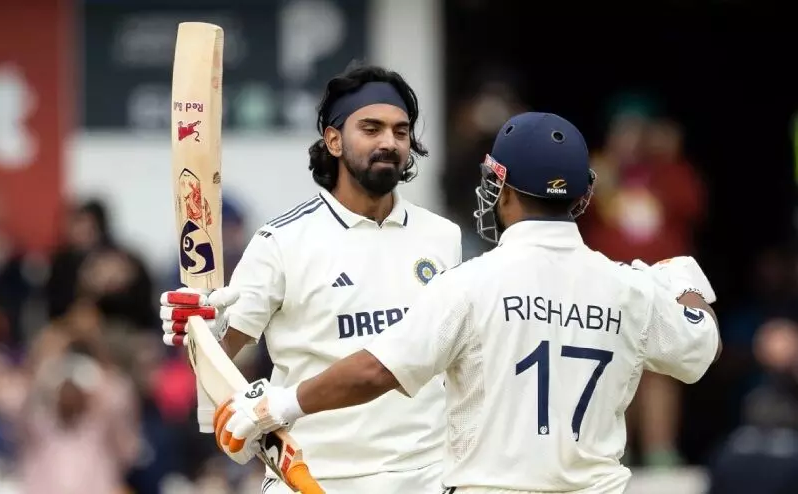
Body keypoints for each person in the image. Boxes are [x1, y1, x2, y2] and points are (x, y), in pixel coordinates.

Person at [213, 112, 723, 494]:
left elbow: (378, 370)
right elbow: (702, 348)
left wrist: (277, 404)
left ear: (501, 187)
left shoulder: (471, 284)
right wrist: (683, 281)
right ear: (583, 195)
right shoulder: (631, 289)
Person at [159, 64, 462, 493]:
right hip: (314, 475)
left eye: (400, 131)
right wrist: (200, 330)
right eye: (371, 129)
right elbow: (220, 352)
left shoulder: (443, 237)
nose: (389, 142)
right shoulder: (282, 241)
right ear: (334, 140)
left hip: (424, 476)